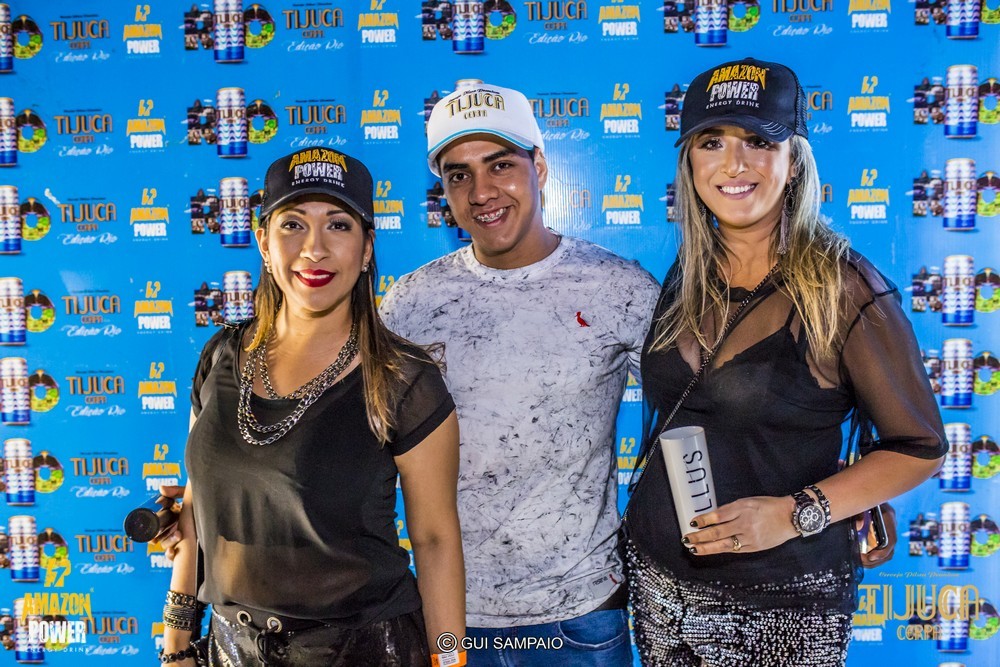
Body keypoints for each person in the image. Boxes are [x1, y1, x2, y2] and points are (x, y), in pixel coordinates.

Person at [623, 58, 946, 666]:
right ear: (688, 163)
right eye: (711, 142)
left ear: (793, 161)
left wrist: (799, 513)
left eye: (758, 141)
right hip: (660, 585)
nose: (733, 164)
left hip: (782, 604)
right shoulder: (688, 273)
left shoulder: (842, 288)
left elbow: (919, 446)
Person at [378, 82, 662, 666]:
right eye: (458, 175)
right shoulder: (410, 303)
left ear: (540, 166)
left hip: (580, 619)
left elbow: (706, 414)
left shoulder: (618, 288)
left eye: (501, 165)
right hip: (450, 618)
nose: (482, 192)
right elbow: (353, 444)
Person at [159, 148, 465, 666]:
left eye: (338, 225)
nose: (314, 249)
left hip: (366, 650)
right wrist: (176, 648)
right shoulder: (219, 357)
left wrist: (451, 662)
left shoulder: (403, 378)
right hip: (233, 648)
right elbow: (194, 516)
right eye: (293, 224)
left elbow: (435, 541)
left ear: (367, 248)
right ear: (263, 242)